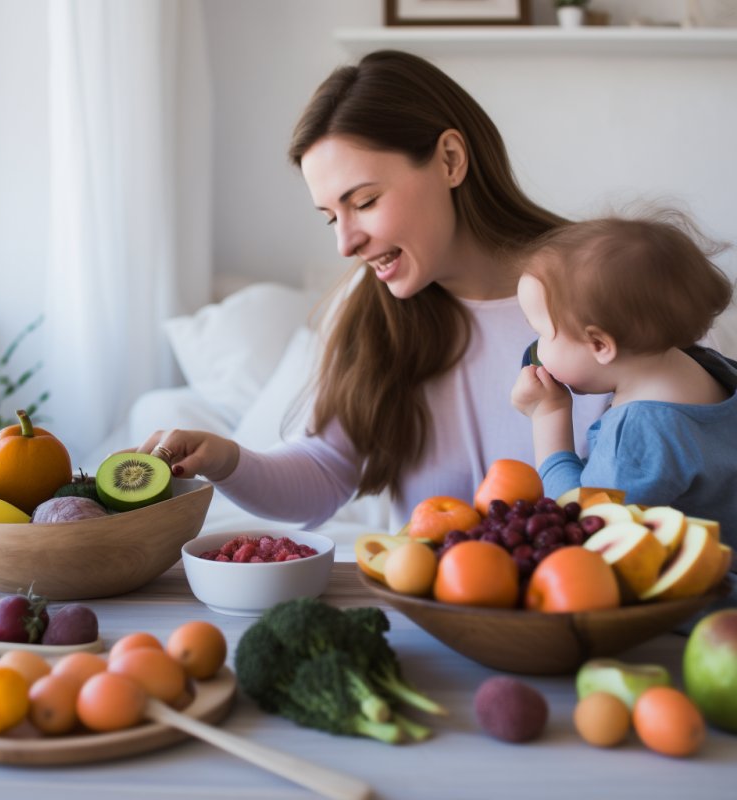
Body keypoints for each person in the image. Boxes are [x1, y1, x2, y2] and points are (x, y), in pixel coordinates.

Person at [138, 50, 610, 533]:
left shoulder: (607, 287)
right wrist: (224, 460)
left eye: (364, 202)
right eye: (330, 217)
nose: (345, 244)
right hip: (430, 584)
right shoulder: (373, 310)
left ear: (450, 160)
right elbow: (323, 471)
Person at [511, 210, 737, 546]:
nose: (537, 346)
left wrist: (549, 417)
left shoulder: (640, 432)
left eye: (542, 332)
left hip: (707, 580)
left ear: (600, 345)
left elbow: (587, 528)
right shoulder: (711, 368)